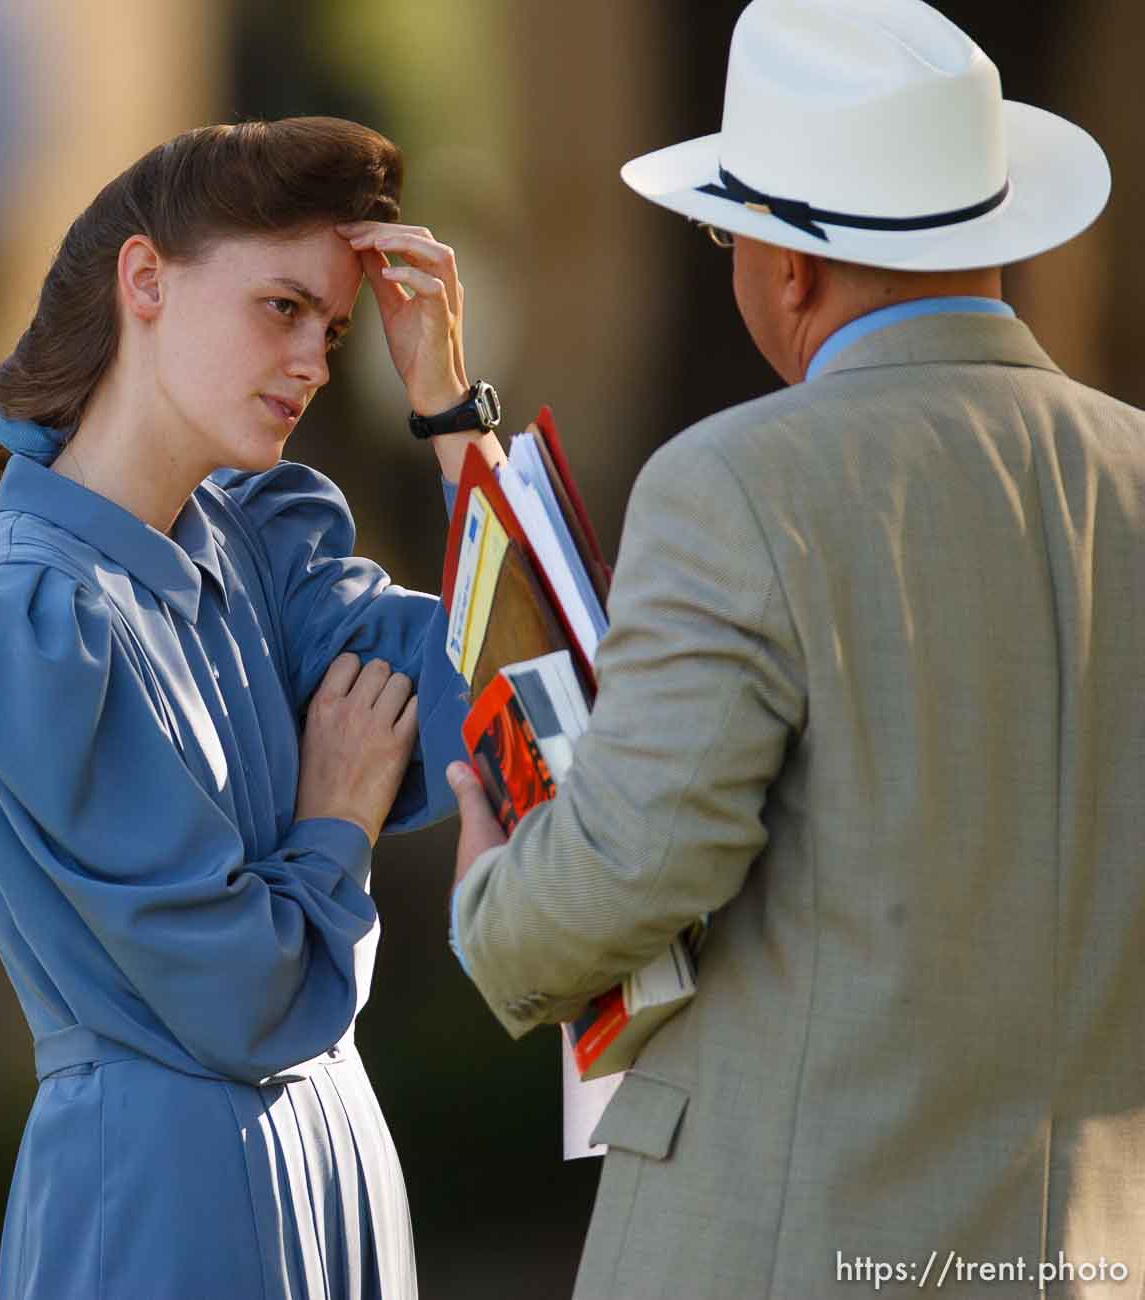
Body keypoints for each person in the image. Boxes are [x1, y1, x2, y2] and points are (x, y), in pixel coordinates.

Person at [447, 2, 1145, 1296]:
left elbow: (632, 867)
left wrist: (494, 889)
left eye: (727, 230)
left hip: (790, 1246)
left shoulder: (738, 481)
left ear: (787, 268)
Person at [0, 117, 504, 1299]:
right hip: (162, 1192)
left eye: (333, 330)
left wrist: (451, 416)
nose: (316, 362)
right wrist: (335, 820)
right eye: (280, 308)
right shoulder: (20, 614)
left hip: (338, 1169)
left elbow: (513, 700)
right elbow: (243, 993)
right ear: (145, 281)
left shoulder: (264, 547)